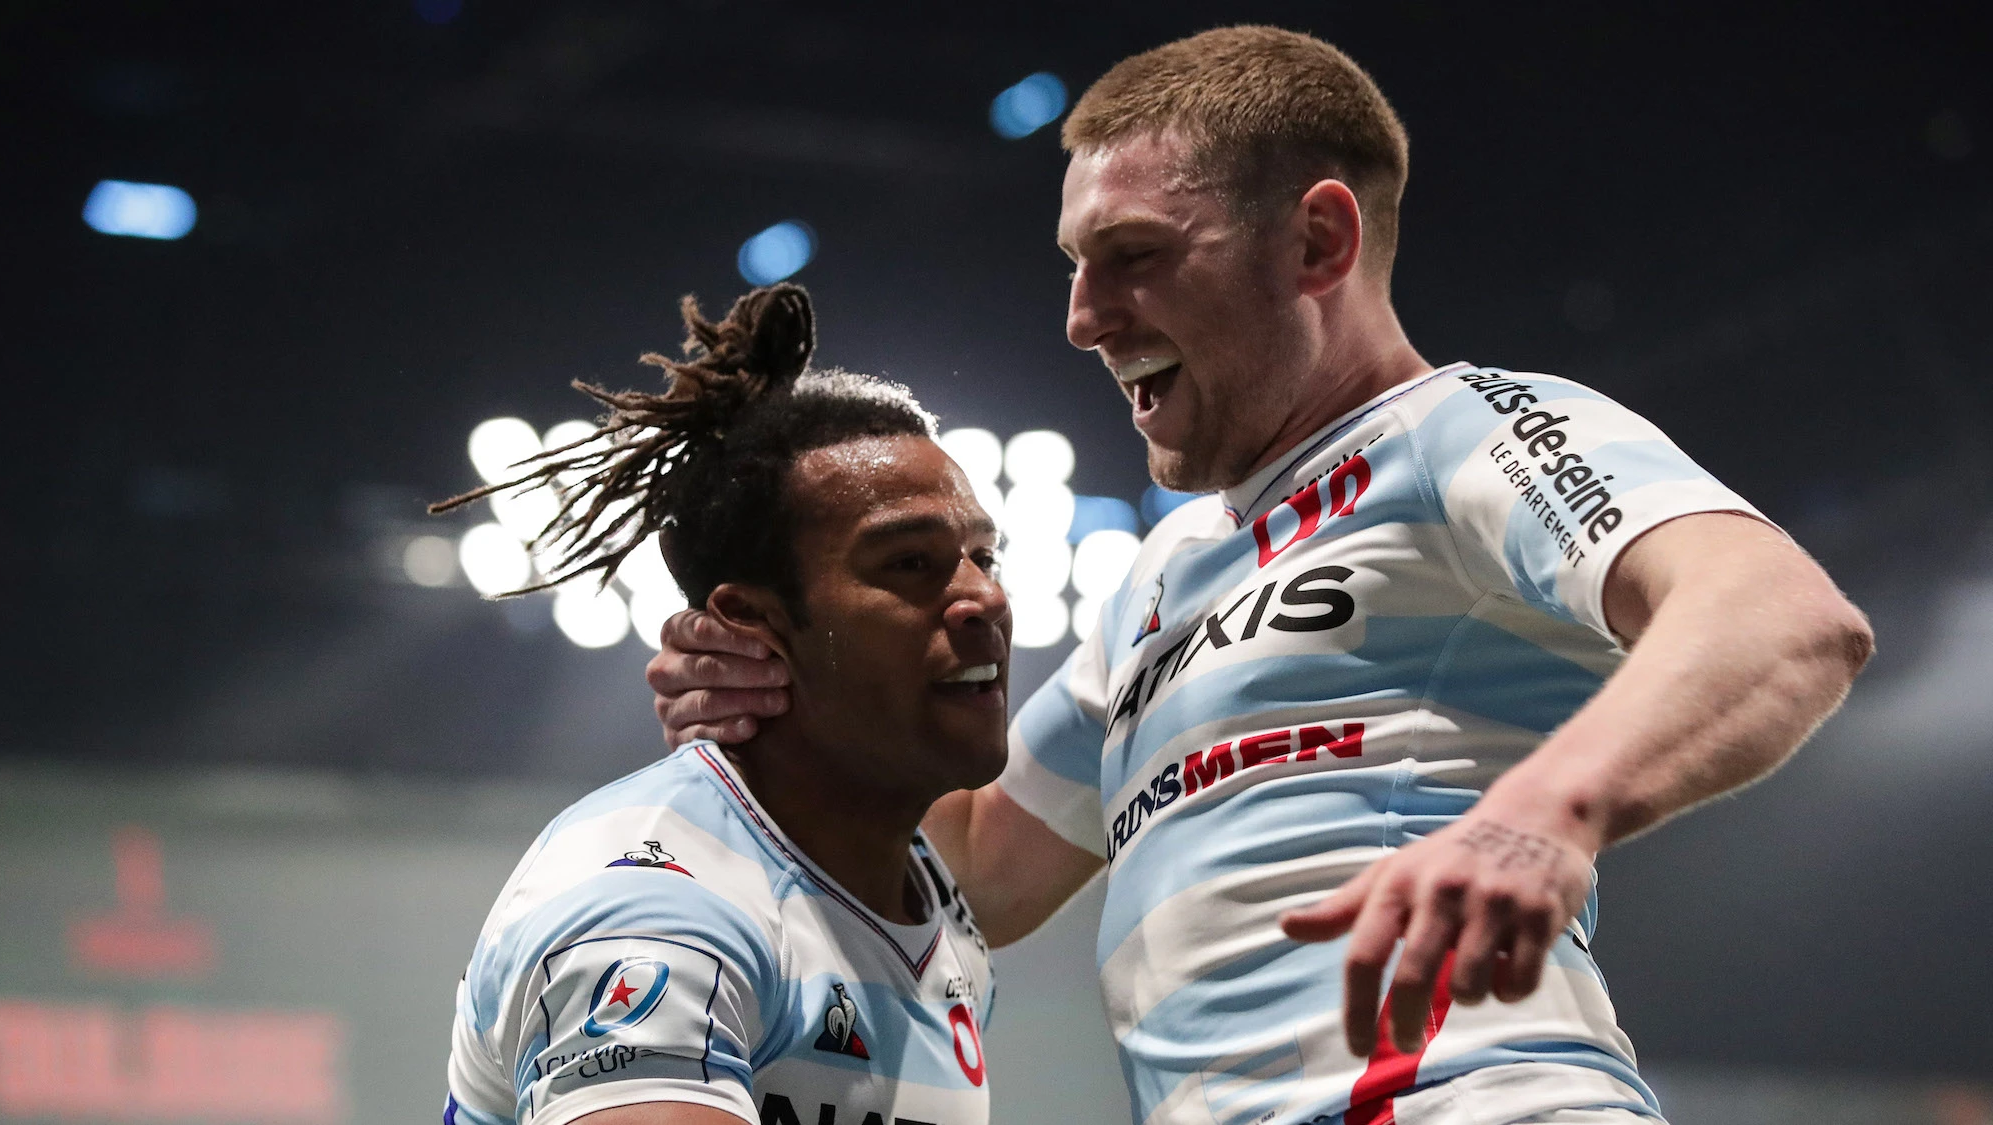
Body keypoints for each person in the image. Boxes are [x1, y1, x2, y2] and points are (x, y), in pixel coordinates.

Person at [647, 27, 1874, 1125]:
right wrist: (785, 690)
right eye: (1073, 263)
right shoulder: (1166, 575)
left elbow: (1780, 616)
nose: (1080, 315)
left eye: (1132, 254)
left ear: (1317, 239)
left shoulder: (1465, 432)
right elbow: (979, 869)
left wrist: (1542, 816)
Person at [440, 284, 1010, 1125]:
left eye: (985, 556)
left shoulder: (917, 887)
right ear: (755, 625)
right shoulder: (656, 907)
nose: (982, 599)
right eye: (909, 564)